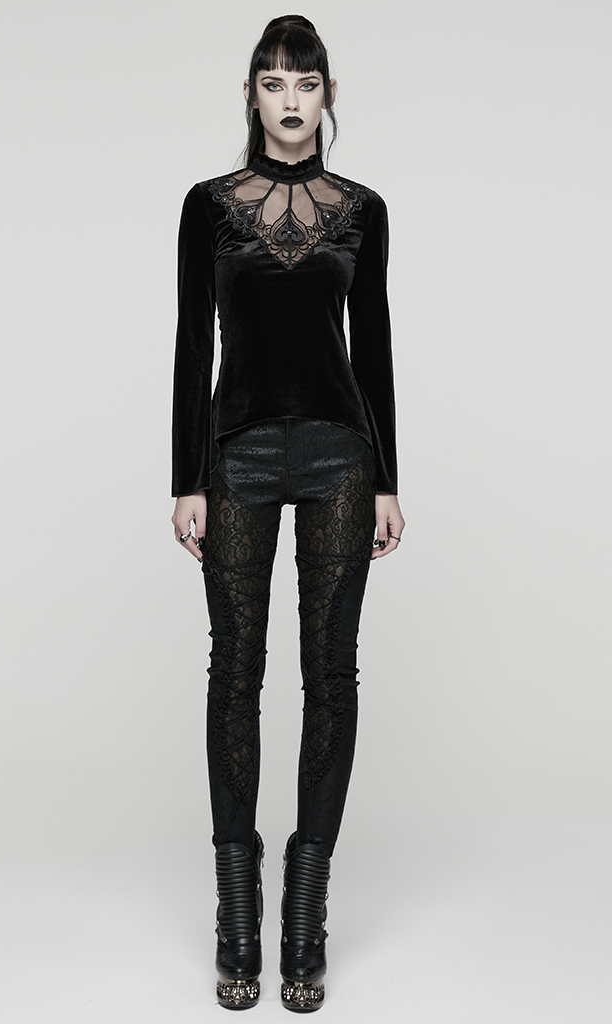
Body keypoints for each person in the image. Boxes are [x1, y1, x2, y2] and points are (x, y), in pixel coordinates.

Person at [170, 15, 404, 1012]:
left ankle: (304, 915)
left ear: (329, 95)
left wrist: (388, 477)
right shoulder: (209, 207)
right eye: (273, 82)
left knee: (330, 674)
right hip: (238, 454)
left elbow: (375, 343)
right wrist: (185, 477)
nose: (290, 99)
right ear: (251, 96)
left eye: (305, 83)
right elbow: (192, 343)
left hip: (342, 455)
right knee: (235, 672)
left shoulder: (363, 211)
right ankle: (238, 915)